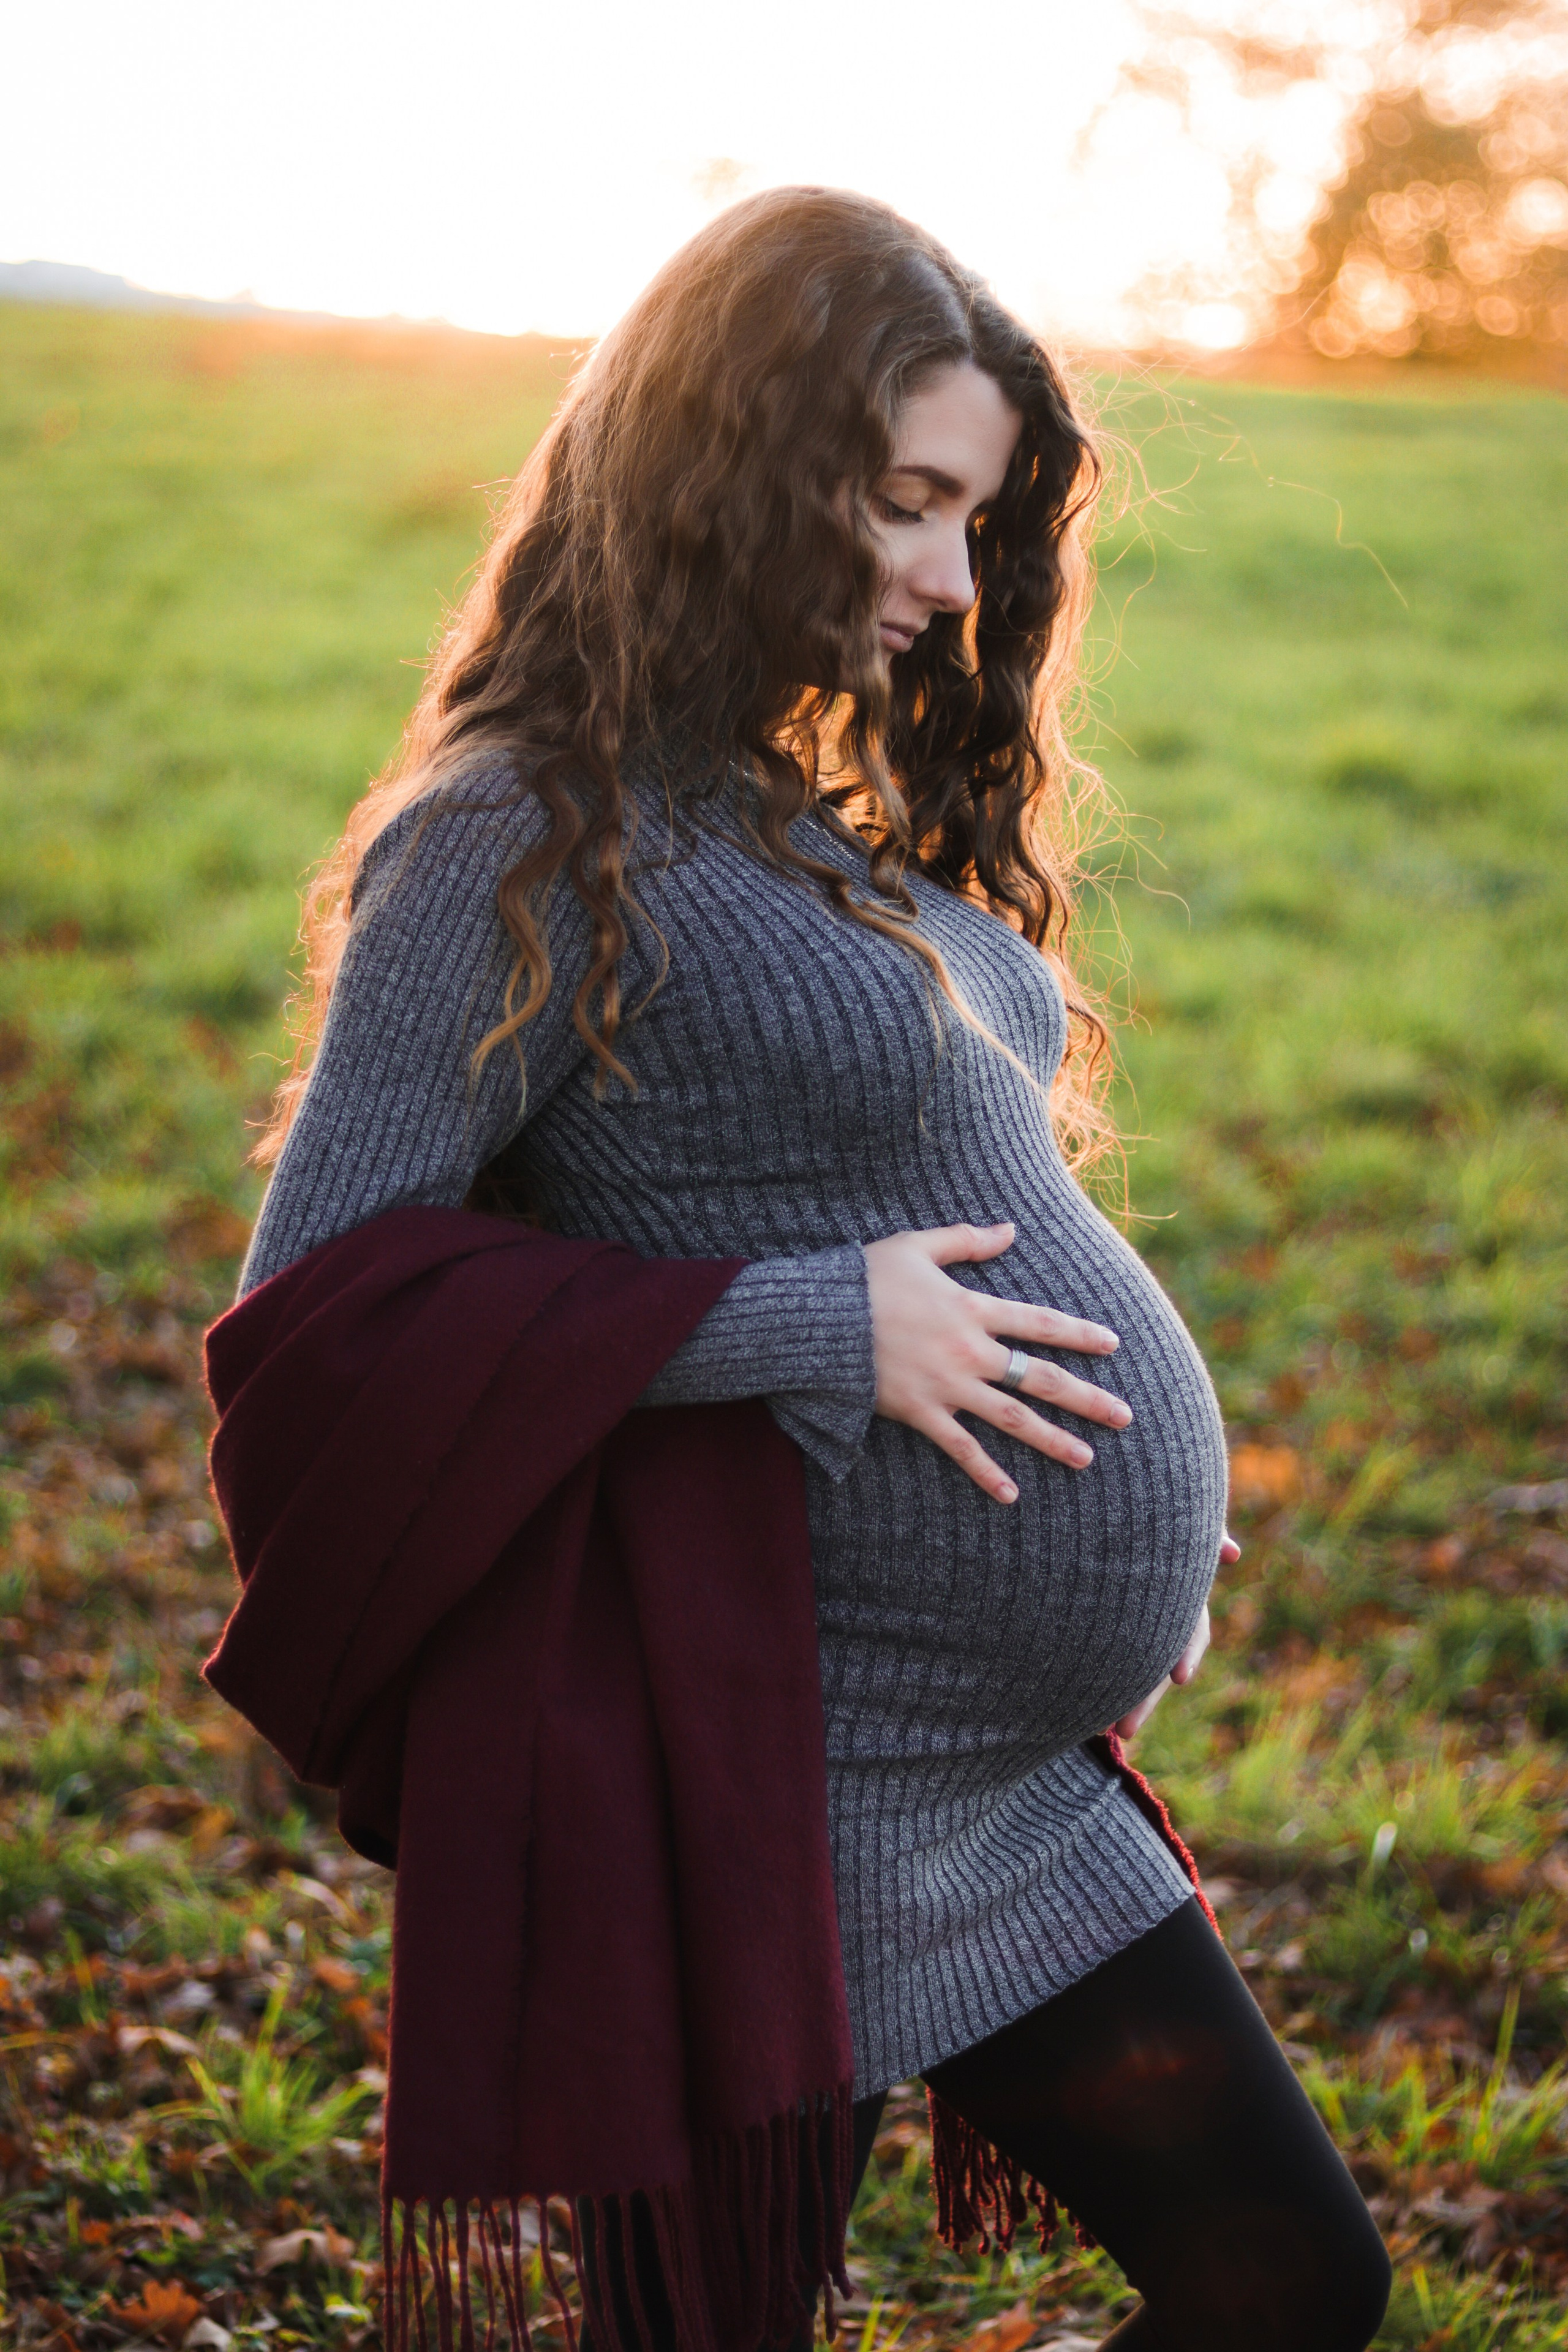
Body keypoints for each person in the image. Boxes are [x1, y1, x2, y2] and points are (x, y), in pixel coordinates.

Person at [241, 189, 1391, 2352]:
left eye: (976, 519)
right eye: (908, 503)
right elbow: (318, 1314)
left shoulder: (770, 803)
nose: (954, 580)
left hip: (1001, 1780)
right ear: (734, 463)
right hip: (778, 1785)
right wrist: (810, 1325)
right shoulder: (508, 836)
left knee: (1293, 2285)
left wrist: (1115, 1510)